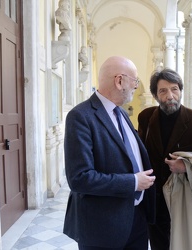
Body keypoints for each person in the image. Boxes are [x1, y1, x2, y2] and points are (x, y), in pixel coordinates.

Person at [63, 56, 156, 250]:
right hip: (103, 228)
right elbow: (80, 178)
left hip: (136, 219)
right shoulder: (80, 116)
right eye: (135, 80)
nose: (136, 86)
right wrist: (133, 182)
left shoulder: (121, 113)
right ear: (119, 81)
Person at [138, 68, 192, 250]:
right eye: (163, 91)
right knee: (158, 245)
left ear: (180, 90)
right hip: (154, 199)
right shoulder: (146, 118)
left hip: (184, 199)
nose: (170, 96)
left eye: (174, 89)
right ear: (156, 95)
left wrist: (186, 166)